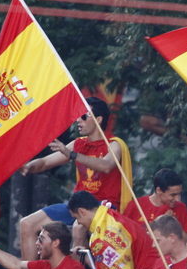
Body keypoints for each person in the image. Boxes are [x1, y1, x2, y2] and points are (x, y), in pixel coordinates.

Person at [18, 97, 128, 260]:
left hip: (103, 207)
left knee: (78, 227)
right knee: (26, 224)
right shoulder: (78, 144)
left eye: (84, 116)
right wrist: (29, 166)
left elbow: (106, 166)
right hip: (77, 206)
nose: (78, 120)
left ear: (98, 119)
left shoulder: (114, 144)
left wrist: (72, 155)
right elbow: (45, 162)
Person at [0, 221, 88, 269]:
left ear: (56, 243)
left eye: (41, 240)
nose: (36, 244)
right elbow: (16, 265)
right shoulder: (46, 265)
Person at [123, 168, 187, 233]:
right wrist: (162, 224)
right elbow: (123, 233)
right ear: (159, 190)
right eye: (173, 195)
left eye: (179, 194)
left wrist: (174, 225)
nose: (178, 199)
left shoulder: (181, 208)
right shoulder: (135, 206)